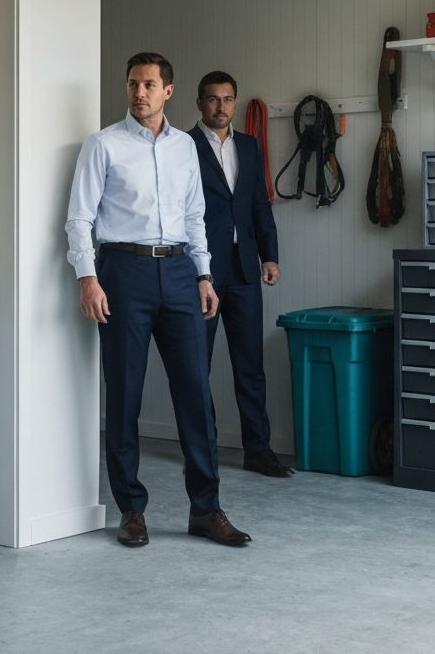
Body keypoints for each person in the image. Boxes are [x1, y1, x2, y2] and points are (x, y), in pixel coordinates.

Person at [65, 53, 251, 548]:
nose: (139, 93)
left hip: (180, 271)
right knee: (125, 392)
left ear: (168, 91)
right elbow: (79, 218)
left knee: (195, 392)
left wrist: (204, 274)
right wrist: (88, 278)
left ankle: (206, 509)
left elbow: (195, 215)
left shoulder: (185, 147)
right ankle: (131, 509)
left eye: (149, 84)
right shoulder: (103, 144)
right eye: (133, 84)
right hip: (123, 271)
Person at [189, 71, 292, 477]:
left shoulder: (248, 146)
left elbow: (258, 204)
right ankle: (202, 452)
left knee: (250, 366)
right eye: (213, 99)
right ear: (199, 103)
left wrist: (270, 256)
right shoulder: (183, 146)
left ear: (235, 102)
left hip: (246, 268)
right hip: (202, 272)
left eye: (228, 99)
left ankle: (258, 450)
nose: (221, 106)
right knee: (197, 367)